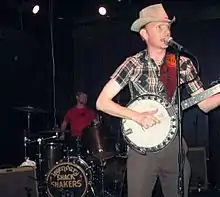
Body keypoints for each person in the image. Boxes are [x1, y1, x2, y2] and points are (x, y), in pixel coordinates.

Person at [96, 3, 220, 197]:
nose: (166, 31)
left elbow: (204, 105)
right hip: (142, 150)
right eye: (159, 27)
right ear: (144, 34)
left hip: (174, 147)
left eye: (168, 27)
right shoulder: (133, 63)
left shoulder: (183, 63)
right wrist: (137, 116)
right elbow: (102, 102)